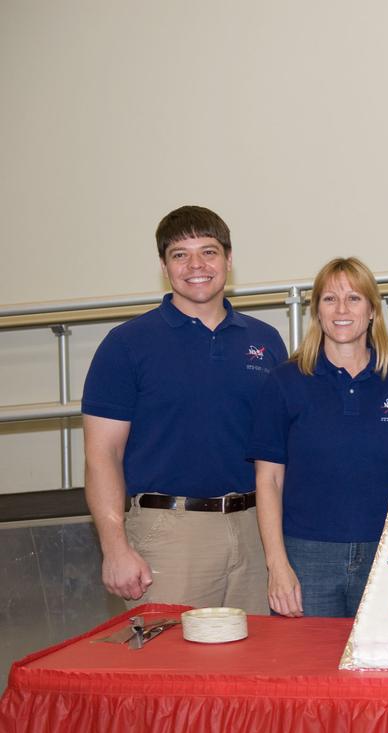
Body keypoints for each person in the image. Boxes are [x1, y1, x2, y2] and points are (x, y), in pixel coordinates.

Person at [82, 206, 286, 612]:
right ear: (164, 265)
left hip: (254, 529)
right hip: (169, 533)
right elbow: (101, 454)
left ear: (228, 260)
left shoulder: (266, 341)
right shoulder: (126, 345)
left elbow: (279, 452)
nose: (196, 265)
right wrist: (115, 546)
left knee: (255, 667)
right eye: (180, 254)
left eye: (208, 252)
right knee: (171, 669)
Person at [249, 258, 388, 617]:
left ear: (373, 310)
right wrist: (277, 565)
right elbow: (268, 480)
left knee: (381, 670)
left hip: (387, 555)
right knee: (304, 669)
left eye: (354, 299)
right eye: (330, 299)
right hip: (306, 558)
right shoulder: (285, 382)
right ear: (316, 311)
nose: (341, 310)